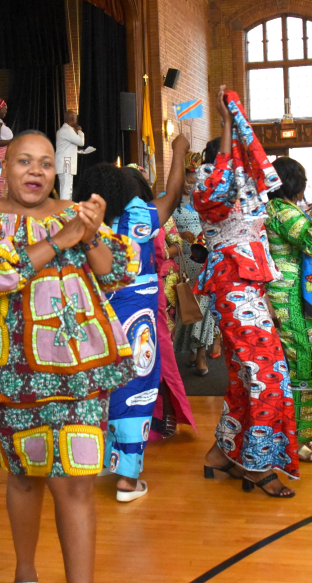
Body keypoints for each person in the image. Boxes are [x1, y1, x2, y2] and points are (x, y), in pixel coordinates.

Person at [0, 130, 139, 583]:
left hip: (80, 372)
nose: (36, 170)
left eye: (45, 163)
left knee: (76, 482)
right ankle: (25, 573)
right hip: (13, 374)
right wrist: (63, 239)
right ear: (5, 169)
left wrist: (89, 235)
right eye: (24, 161)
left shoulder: (75, 215)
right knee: (23, 476)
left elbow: (117, 271)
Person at [72, 135, 188, 501]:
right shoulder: (141, 217)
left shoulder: (81, 224)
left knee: (100, 384)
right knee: (136, 387)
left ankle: (97, 461)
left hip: (96, 314)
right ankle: (127, 478)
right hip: (137, 315)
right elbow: (171, 194)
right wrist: (179, 151)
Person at [196, 86, 298, 498]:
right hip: (231, 285)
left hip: (251, 287)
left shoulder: (249, 189)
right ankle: (255, 466)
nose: (243, 152)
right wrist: (225, 123)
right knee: (266, 375)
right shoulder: (207, 182)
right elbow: (217, 189)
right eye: (234, 149)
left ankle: (222, 452)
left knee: (245, 374)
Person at [266, 157, 312, 463]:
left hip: (301, 297)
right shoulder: (280, 211)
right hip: (292, 300)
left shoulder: (283, 209)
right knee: (299, 368)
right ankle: (289, 442)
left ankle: (301, 440)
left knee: (306, 368)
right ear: (296, 184)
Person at [123, 165, 197, 440]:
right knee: (135, 358)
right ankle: (141, 417)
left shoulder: (158, 215)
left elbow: (179, 245)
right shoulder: (113, 216)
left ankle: (163, 413)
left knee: (160, 357)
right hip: (128, 294)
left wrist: (163, 250)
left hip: (160, 290)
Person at [170, 151, 219, 375]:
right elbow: (165, 231)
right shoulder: (169, 201)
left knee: (206, 307)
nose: (191, 186)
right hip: (184, 261)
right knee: (189, 307)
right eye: (188, 182)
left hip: (205, 261)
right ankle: (191, 348)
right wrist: (181, 235)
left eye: (195, 182)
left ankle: (201, 354)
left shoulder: (203, 200)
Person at [56, 110, 85, 200]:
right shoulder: (67, 130)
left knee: (67, 188)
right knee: (66, 189)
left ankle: (66, 210)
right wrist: (80, 131)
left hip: (65, 162)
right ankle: (65, 211)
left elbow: (67, 147)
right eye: (75, 118)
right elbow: (81, 142)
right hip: (66, 163)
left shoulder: (64, 130)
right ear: (73, 119)